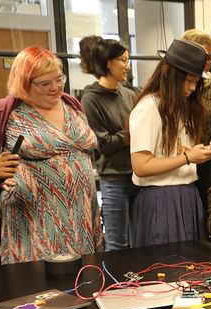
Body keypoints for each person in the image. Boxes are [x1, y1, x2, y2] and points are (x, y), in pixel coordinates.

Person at [0, 46, 102, 264]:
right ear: (23, 84)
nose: (55, 87)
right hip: (32, 223)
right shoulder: (3, 114)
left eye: (59, 79)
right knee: (36, 291)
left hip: (80, 217)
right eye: (45, 83)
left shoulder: (72, 105)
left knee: (80, 283)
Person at [128, 39, 211, 248]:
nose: (192, 88)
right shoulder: (148, 108)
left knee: (190, 270)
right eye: (187, 81)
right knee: (164, 269)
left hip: (187, 196)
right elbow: (141, 166)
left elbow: (180, 152)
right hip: (160, 200)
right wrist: (187, 158)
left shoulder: (184, 107)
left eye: (196, 82)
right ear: (168, 71)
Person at [80, 37, 139, 252]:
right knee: (116, 245)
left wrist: (124, 135)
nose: (127, 65)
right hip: (114, 180)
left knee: (139, 243)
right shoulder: (90, 99)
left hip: (137, 177)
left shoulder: (129, 94)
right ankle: (116, 287)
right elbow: (102, 143)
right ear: (107, 63)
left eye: (128, 59)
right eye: (122, 60)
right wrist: (130, 135)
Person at [180, 29, 211, 214]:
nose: (210, 61)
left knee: (205, 210)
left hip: (204, 155)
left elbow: (204, 116)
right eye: (206, 56)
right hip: (175, 157)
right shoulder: (169, 84)